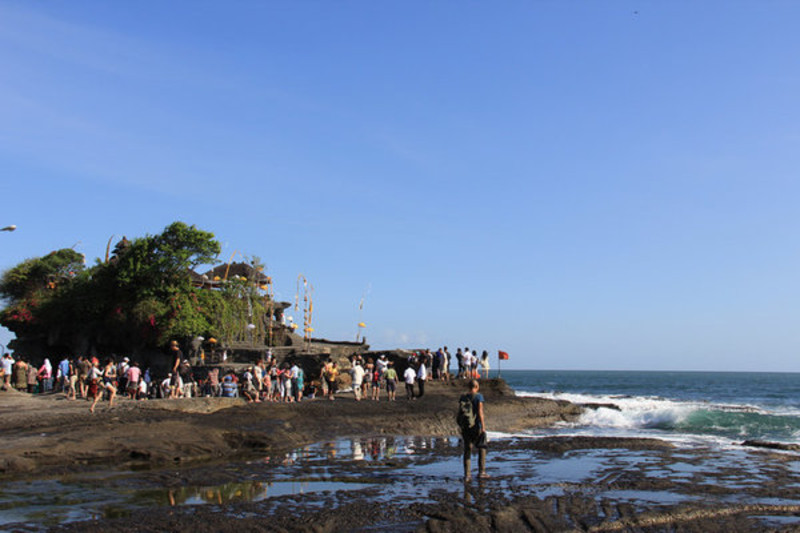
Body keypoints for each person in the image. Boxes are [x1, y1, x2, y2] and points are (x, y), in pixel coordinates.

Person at [460, 379, 488, 480]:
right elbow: (480, 412)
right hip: (476, 426)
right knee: (482, 447)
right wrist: (483, 427)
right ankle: (482, 472)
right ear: (476, 387)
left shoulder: (463, 397)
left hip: (466, 426)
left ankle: (467, 475)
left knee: (467, 449)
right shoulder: (479, 397)